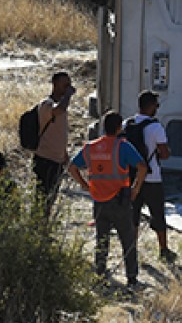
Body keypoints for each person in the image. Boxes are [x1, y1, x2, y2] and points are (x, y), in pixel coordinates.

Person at [67, 111, 147, 287]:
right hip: (120, 201)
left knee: (101, 240)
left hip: (99, 201)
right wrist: (135, 188)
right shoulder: (122, 146)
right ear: (119, 128)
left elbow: (72, 167)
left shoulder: (90, 147)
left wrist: (84, 185)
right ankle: (132, 279)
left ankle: (100, 275)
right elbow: (142, 166)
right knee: (127, 240)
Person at [126, 90, 175, 263]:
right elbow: (164, 153)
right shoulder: (156, 127)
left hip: (132, 177)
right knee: (158, 214)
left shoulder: (127, 124)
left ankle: (131, 249)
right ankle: (163, 249)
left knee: (133, 215)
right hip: (152, 177)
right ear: (151, 106)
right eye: (157, 105)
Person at [33, 71, 75, 216]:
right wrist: (69, 95)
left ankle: (43, 229)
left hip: (57, 160)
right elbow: (59, 110)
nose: (68, 88)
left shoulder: (62, 108)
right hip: (45, 159)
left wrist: (65, 156)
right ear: (55, 85)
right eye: (65, 85)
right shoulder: (47, 105)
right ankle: (37, 229)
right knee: (42, 198)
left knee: (50, 199)